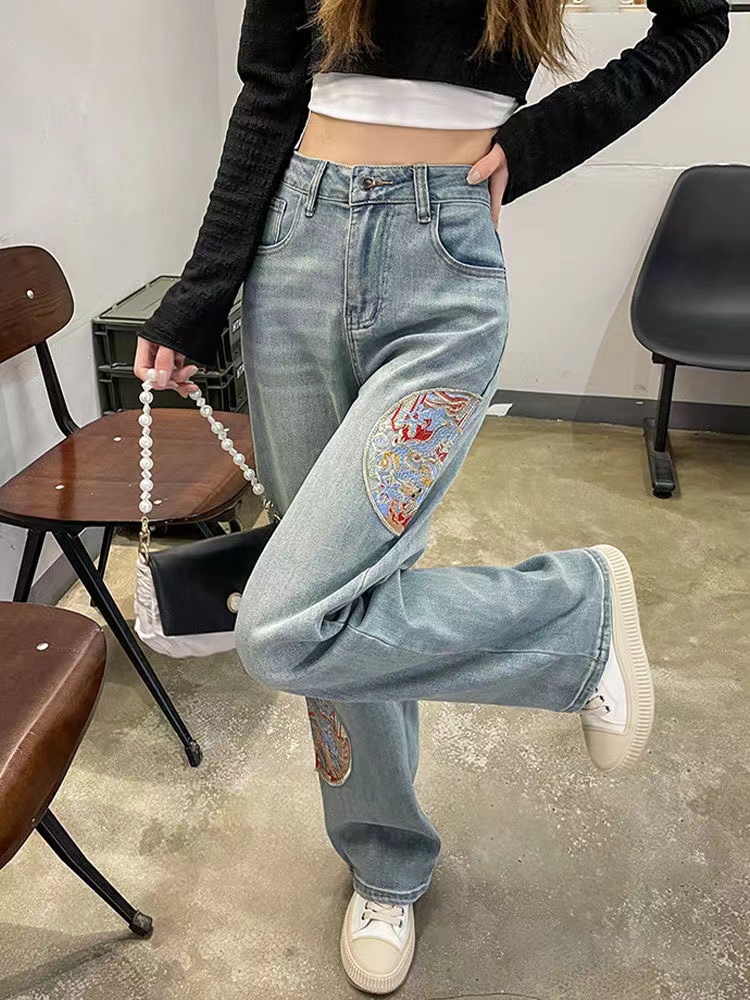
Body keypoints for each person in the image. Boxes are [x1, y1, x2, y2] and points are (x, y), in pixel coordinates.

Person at [133, 0, 729, 991]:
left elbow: (696, 21)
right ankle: (385, 861)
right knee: (335, 601)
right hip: (294, 253)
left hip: (443, 264)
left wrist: (539, 142)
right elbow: (269, 92)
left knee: (284, 624)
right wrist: (202, 291)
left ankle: (572, 615)